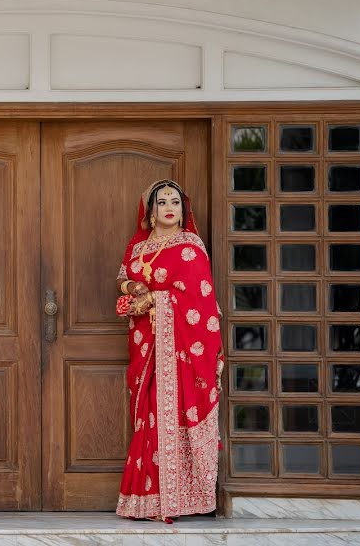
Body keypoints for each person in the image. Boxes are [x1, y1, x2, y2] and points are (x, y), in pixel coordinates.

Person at [114, 179, 224, 523]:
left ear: (183, 209)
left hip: (181, 350)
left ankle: (181, 497)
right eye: (161, 201)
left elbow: (200, 300)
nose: (168, 207)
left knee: (174, 410)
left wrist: (156, 299)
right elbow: (123, 279)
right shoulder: (137, 247)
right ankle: (147, 498)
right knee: (150, 414)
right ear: (150, 212)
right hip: (147, 345)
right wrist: (134, 289)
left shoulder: (191, 246)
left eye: (174, 201)